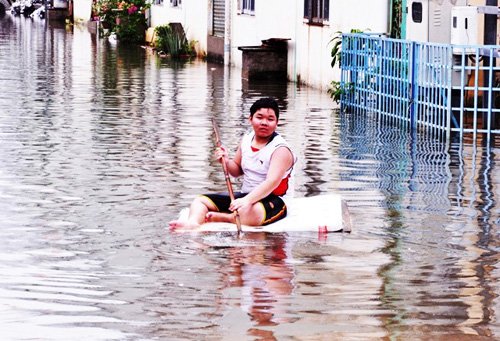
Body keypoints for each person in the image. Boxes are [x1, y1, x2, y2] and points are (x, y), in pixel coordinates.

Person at [169, 97, 296, 229]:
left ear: (277, 123)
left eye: (270, 119)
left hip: (275, 200)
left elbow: (271, 183)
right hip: (246, 196)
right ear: (250, 119)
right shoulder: (247, 139)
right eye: (259, 117)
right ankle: (193, 224)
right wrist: (225, 160)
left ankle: (226, 218)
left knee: (247, 212)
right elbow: (236, 170)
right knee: (200, 200)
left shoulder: (280, 149)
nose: (264, 122)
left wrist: (246, 201)